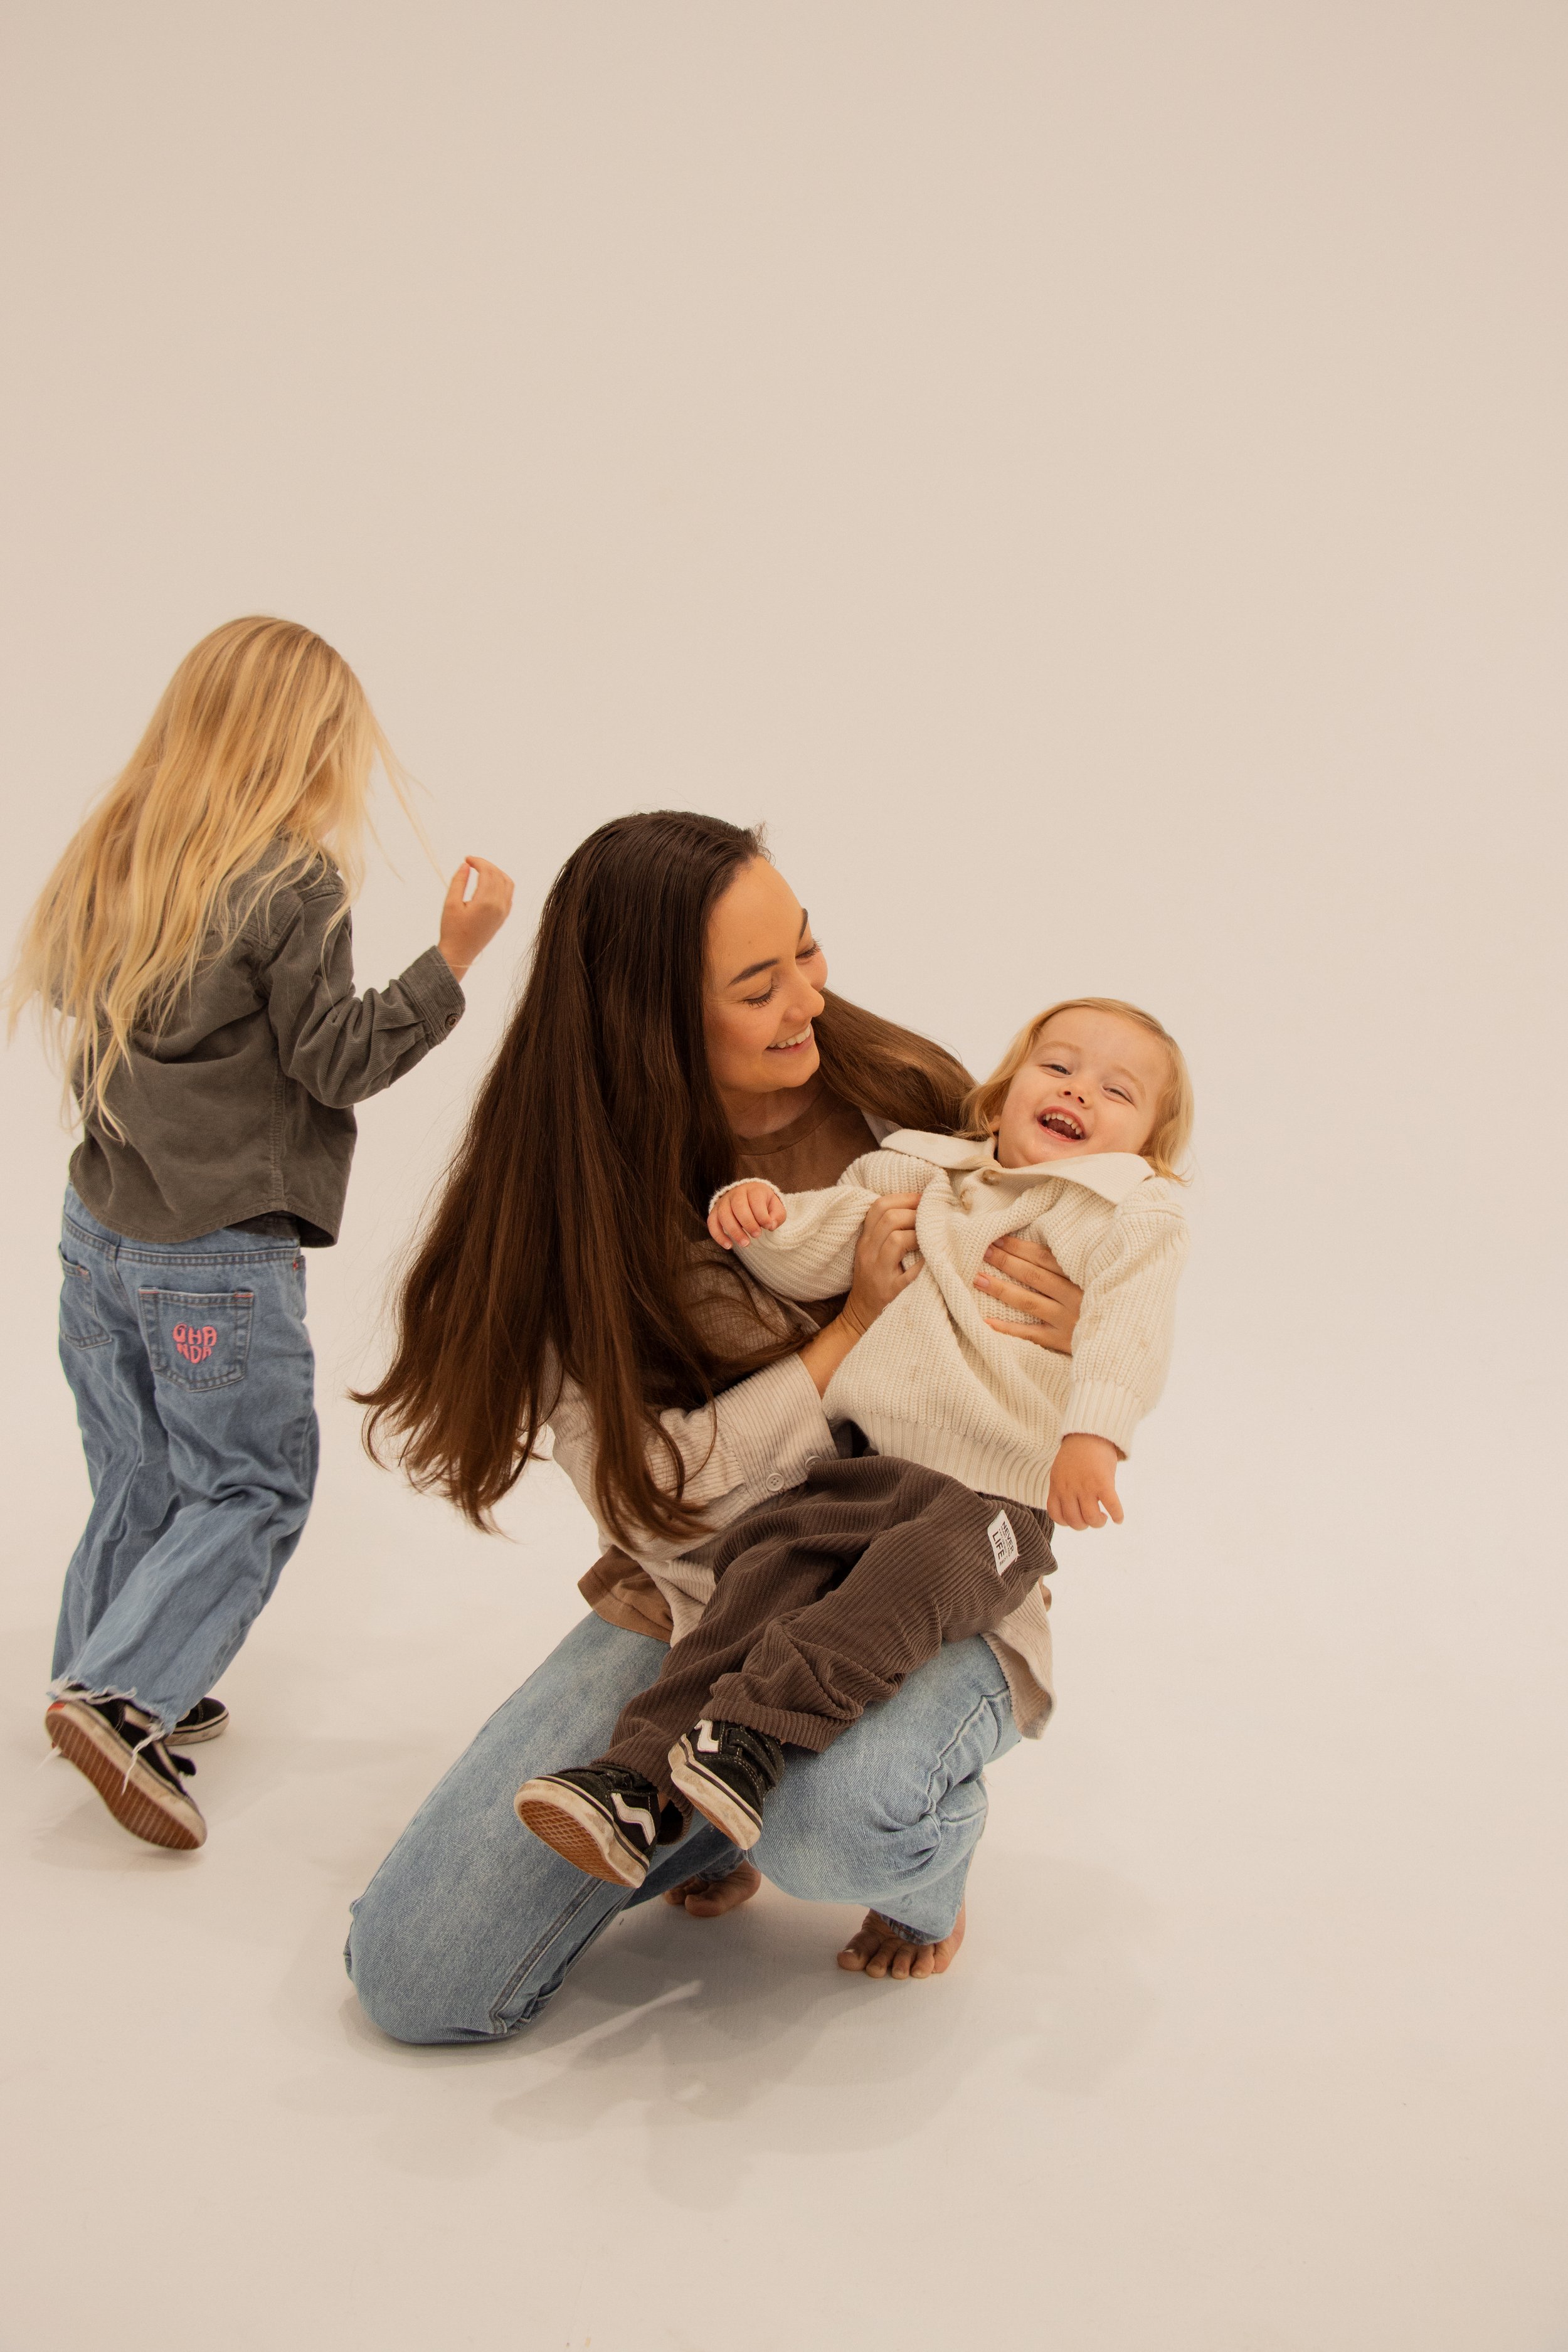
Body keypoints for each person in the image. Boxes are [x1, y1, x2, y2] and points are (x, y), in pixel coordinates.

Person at [346, 811, 1085, 2039]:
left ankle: (913, 1866)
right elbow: (664, 1501)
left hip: (919, 1568)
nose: (810, 993)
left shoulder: (905, 1098)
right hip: (706, 1585)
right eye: (759, 983)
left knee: (834, 1823)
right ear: (655, 1025)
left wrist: (1064, 1329)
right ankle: (693, 1815)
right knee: (418, 1980)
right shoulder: (563, 1215)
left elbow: (1077, 1309)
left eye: (806, 947)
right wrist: (846, 1328)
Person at [7, 615, 514, 1850]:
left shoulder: (114, 854)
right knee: (247, 1483)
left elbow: (90, 999)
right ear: (302, 747)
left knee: (144, 1471)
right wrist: (454, 956)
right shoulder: (292, 883)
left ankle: (104, 1663)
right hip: (213, 1257)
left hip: (100, 1233)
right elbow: (337, 1062)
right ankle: (122, 1699)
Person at [515, 997, 1191, 1882]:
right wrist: (764, 1219)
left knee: (904, 1585)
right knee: (757, 1574)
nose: (1079, 1092)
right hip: (864, 1470)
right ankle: (636, 1777)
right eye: (1058, 1066)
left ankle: (751, 1738)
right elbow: (826, 1241)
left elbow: (1130, 1332)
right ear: (998, 1099)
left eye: (1118, 1090)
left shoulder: (1128, 1217)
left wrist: (1093, 1436)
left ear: (1144, 1151)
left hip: (991, 1505)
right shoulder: (925, 1172)